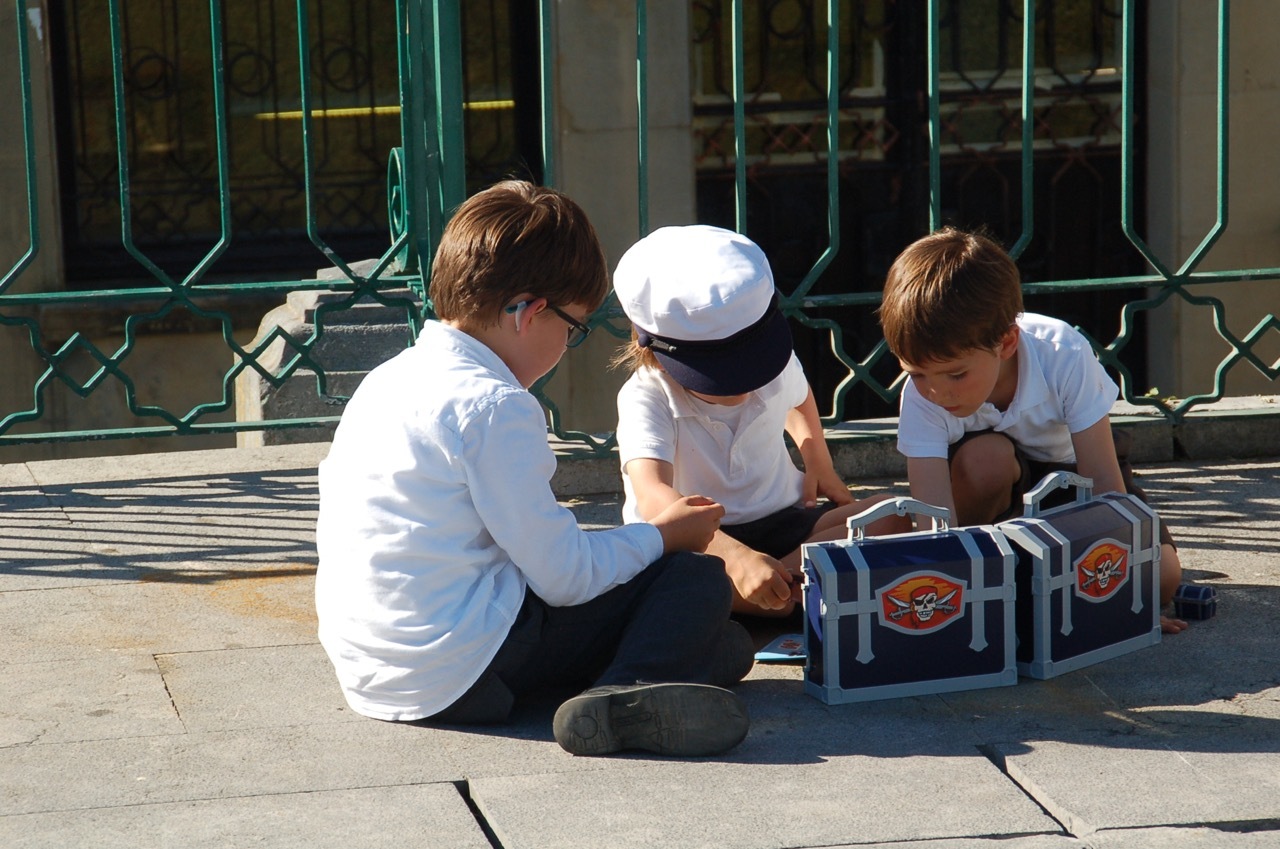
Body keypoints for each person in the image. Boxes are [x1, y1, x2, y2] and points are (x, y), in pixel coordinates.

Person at [314, 181, 756, 758]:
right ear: (529, 312)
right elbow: (564, 577)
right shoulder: (495, 404)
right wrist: (663, 536)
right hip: (461, 667)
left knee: (729, 648)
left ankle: (624, 685)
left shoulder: (389, 379)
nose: (567, 345)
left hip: (376, 673)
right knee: (695, 583)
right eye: (573, 329)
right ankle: (627, 693)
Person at [877, 226, 1187, 633]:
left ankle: (1034, 578)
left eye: (955, 374)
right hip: (991, 488)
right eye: (916, 373)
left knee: (1162, 579)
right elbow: (934, 523)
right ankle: (992, 574)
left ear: (1006, 342)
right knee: (984, 460)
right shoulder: (922, 395)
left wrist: (1123, 601)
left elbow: (1106, 486)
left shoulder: (1063, 352)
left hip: (1075, 482)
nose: (936, 391)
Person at [612, 225, 911, 618]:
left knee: (897, 515)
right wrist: (734, 556)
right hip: (702, 546)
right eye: (722, 377)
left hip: (785, 522)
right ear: (645, 341)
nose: (747, 386)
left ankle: (776, 588)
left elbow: (799, 399)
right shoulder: (646, 395)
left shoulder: (778, 365)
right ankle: (790, 589)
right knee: (678, 578)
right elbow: (653, 497)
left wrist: (817, 460)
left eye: (754, 368)